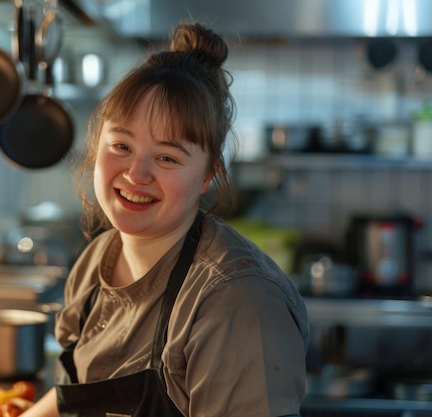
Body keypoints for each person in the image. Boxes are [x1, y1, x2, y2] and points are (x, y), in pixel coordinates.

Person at [21, 21, 309, 417]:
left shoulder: (236, 300)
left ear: (209, 174)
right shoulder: (95, 263)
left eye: (167, 158)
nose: (136, 174)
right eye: (121, 146)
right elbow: (78, 392)